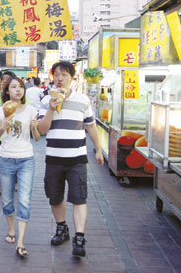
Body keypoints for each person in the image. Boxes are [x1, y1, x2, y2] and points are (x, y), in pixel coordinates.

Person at [37, 61, 104, 257]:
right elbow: (42, 130)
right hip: (54, 158)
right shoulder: (45, 100)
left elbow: (91, 126)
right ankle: (61, 229)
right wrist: (51, 108)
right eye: (56, 75)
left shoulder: (82, 100)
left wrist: (99, 150)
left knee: (79, 198)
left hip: (77, 159)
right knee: (55, 196)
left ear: (71, 78)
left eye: (64, 75)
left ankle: (80, 238)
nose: (59, 79)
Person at [0, 77, 40, 257]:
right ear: (7, 91)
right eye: (13, 87)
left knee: (25, 200)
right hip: (5, 159)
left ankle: (20, 241)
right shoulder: (0, 111)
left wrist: (35, 128)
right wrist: (3, 126)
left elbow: (36, 138)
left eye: (21, 87)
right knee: (6, 200)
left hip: (26, 159)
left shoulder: (31, 110)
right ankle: (11, 230)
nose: (18, 90)